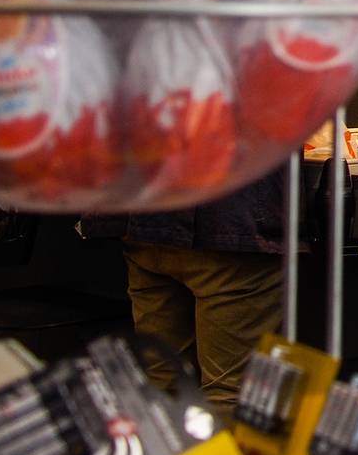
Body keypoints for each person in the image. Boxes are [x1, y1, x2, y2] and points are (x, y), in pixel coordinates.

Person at [86, 169, 288, 412]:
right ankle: (222, 450)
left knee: (166, 386)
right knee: (232, 394)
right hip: (230, 224)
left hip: (144, 214)